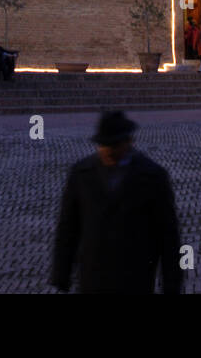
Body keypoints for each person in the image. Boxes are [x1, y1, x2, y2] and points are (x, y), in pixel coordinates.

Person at [51, 111, 183, 294]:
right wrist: (61, 273)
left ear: (128, 142)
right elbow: (68, 227)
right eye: (104, 145)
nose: (108, 151)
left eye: (114, 145)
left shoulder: (153, 177)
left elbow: (168, 235)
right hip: (94, 276)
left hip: (135, 277)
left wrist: (172, 284)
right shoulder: (81, 174)